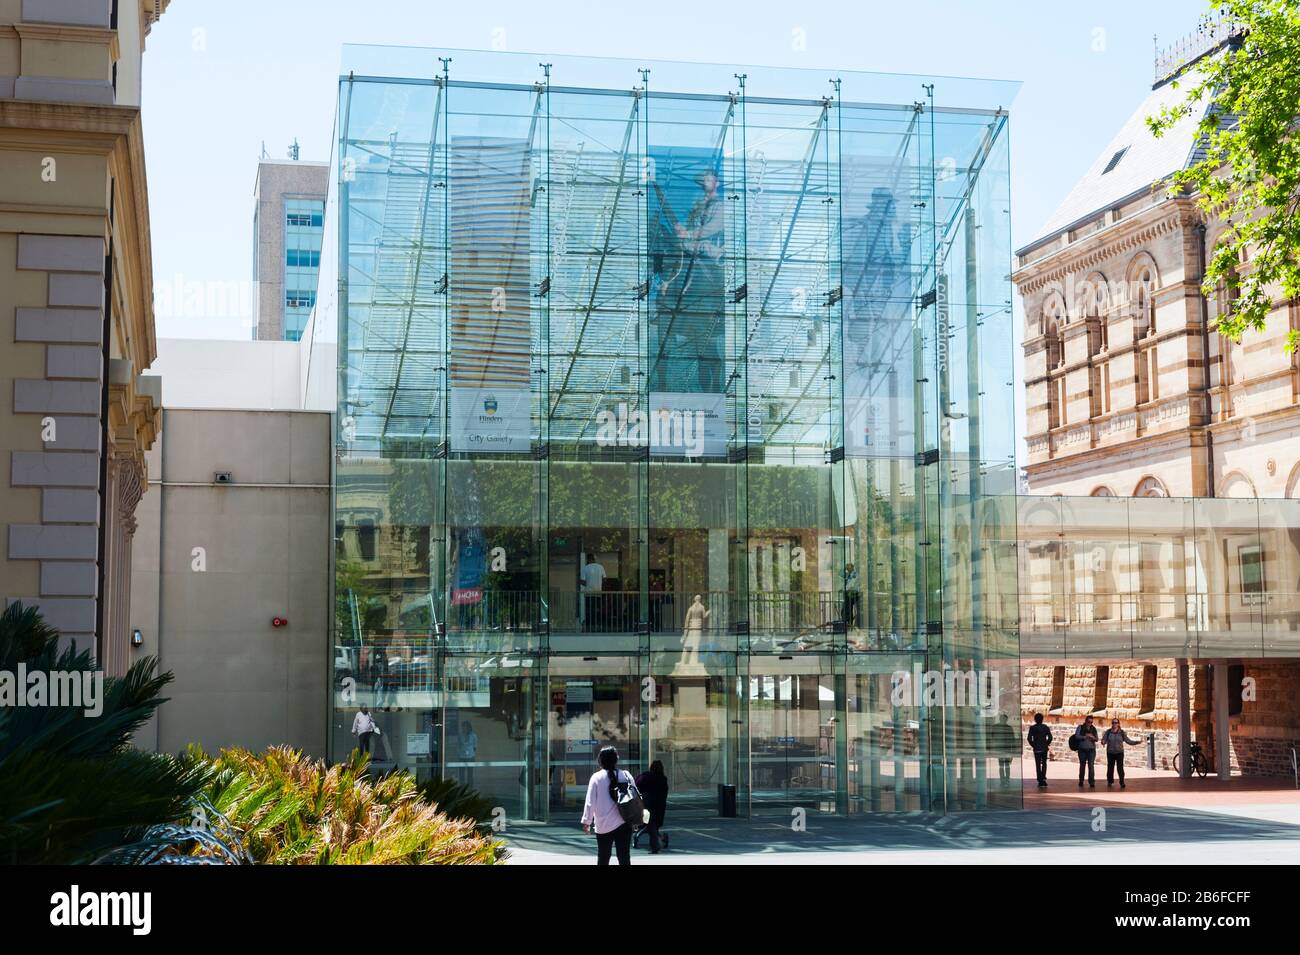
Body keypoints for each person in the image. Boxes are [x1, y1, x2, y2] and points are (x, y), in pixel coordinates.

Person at [581, 746, 634, 865]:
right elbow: (635, 798)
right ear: (616, 759)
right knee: (624, 856)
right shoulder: (626, 775)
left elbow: (590, 802)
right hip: (624, 823)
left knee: (603, 857)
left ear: (600, 760)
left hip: (603, 825)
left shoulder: (596, 778)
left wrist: (587, 821)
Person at [634, 760, 670, 853]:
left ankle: (655, 846)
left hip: (647, 805)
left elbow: (636, 786)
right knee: (653, 823)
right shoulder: (663, 779)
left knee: (650, 823)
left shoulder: (645, 777)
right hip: (659, 807)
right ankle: (658, 839)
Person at [1101, 719, 1141, 788]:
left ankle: (1122, 782)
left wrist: (1136, 742)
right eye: (1113, 723)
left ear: (1118, 724)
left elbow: (1128, 741)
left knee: (1120, 768)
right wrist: (1103, 742)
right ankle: (1110, 781)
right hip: (1110, 752)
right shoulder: (1108, 732)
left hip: (1119, 753)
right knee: (1110, 768)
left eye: (1116, 723)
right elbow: (1104, 740)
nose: (1114, 724)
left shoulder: (1122, 732)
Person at [1026, 712, 1053, 787]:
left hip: (1037, 748)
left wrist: (1033, 745)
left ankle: (1039, 779)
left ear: (1035, 719)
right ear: (1042, 719)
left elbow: (1029, 738)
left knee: (1038, 764)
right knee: (1044, 763)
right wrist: (1046, 744)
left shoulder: (1033, 728)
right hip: (1044, 748)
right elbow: (1050, 737)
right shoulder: (1045, 727)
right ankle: (1043, 778)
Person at [582, 555, 607, 632]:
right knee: (598, 610)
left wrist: (588, 583)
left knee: (588, 610)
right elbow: (605, 579)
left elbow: (583, 581)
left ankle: (589, 626)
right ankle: (598, 625)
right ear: (594, 559)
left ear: (588, 560)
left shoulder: (585, 568)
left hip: (588, 593)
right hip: (598, 593)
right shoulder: (600, 567)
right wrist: (599, 584)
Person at [992, 713, 1018, 782]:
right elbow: (1012, 740)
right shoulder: (1008, 728)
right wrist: (1013, 750)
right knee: (1006, 765)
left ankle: (1003, 779)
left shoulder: (996, 727)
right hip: (1006, 748)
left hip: (1001, 748)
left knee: (1002, 765)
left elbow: (992, 738)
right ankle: (1006, 779)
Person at [1074, 714, 1099, 788]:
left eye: (1091, 722)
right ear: (1085, 721)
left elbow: (1097, 739)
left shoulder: (1093, 729)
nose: (1090, 724)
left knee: (1091, 766)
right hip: (1082, 749)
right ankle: (1081, 780)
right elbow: (1077, 736)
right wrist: (1085, 736)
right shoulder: (1080, 727)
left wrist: (1092, 737)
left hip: (1091, 750)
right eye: (1088, 722)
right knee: (1082, 765)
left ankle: (1091, 782)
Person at [458, 719, 478, 788]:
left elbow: (475, 747)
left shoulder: (473, 736)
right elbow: (458, 745)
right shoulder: (460, 736)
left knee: (470, 774)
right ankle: (462, 787)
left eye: (465, 726)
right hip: (461, 757)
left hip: (470, 757)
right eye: (463, 726)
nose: (464, 728)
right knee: (461, 774)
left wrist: (471, 754)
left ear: (469, 727)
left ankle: (470, 787)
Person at [842, 563, 861, 629]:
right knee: (847, 610)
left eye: (848, 567)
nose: (847, 568)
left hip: (852, 594)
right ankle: (848, 623)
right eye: (846, 567)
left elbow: (851, 584)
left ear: (852, 567)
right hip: (849, 593)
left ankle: (849, 624)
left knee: (848, 609)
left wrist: (846, 589)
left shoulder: (854, 574)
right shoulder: (849, 575)